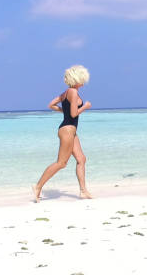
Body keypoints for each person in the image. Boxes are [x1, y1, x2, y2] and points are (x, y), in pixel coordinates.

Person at [32, 65, 92, 202]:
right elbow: (73, 113)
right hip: (67, 130)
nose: (84, 82)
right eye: (83, 78)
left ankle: (83, 191)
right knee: (61, 163)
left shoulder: (65, 93)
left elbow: (51, 105)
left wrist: (63, 111)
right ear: (78, 78)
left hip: (70, 130)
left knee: (81, 159)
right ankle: (37, 186)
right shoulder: (73, 92)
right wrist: (85, 107)